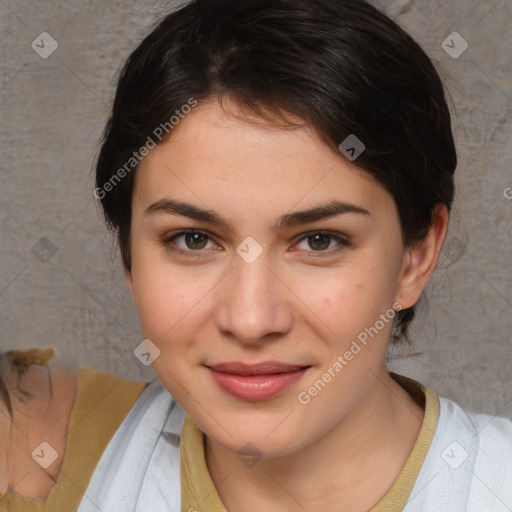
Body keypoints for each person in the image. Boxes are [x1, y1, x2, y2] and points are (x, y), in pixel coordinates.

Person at [1, 0, 511, 511]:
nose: (249, 320)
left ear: (416, 256)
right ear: (128, 257)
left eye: (319, 240)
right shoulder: (33, 447)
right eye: (193, 239)